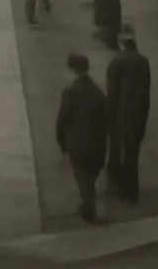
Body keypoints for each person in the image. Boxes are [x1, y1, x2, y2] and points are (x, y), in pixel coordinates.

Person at [56, 53, 108, 223]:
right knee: (90, 177)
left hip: (78, 144)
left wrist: (62, 143)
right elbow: (107, 119)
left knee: (83, 178)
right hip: (98, 145)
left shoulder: (70, 92)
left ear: (72, 69)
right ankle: (88, 205)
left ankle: (89, 209)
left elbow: (62, 120)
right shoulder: (98, 92)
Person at [105, 27, 151, 204]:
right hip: (139, 114)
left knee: (118, 150)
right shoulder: (143, 61)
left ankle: (121, 188)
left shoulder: (117, 62)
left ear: (121, 42)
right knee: (133, 153)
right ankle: (132, 191)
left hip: (120, 116)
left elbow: (112, 92)